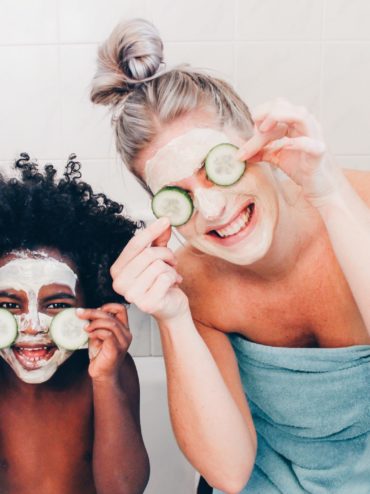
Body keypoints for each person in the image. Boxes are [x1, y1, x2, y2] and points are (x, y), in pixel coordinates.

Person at [91, 18, 370, 494]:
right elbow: (229, 472)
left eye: (217, 168)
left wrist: (327, 195)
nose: (214, 209)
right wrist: (174, 317)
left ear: (256, 144)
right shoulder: (192, 283)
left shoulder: (356, 202)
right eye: (176, 193)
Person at [0, 154, 149, 494]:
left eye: (56, 305)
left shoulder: (111, 371)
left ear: (91, 305)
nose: (32, 326)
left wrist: (106, 379)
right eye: (9, 304)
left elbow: (123, 490)